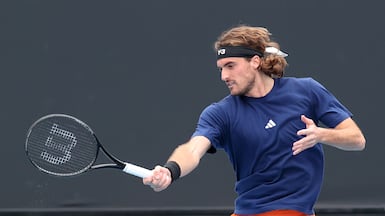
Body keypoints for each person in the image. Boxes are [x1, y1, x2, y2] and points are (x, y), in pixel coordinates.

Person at [143, 25, 366, 216]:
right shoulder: (220, 113)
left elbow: (357, 139)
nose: (224, 76)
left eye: (231, 66)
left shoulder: (306, 90)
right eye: (221, 69)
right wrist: (170, 170)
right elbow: (193, 149)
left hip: (293, 210)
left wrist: (322, 135)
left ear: (255, 62)